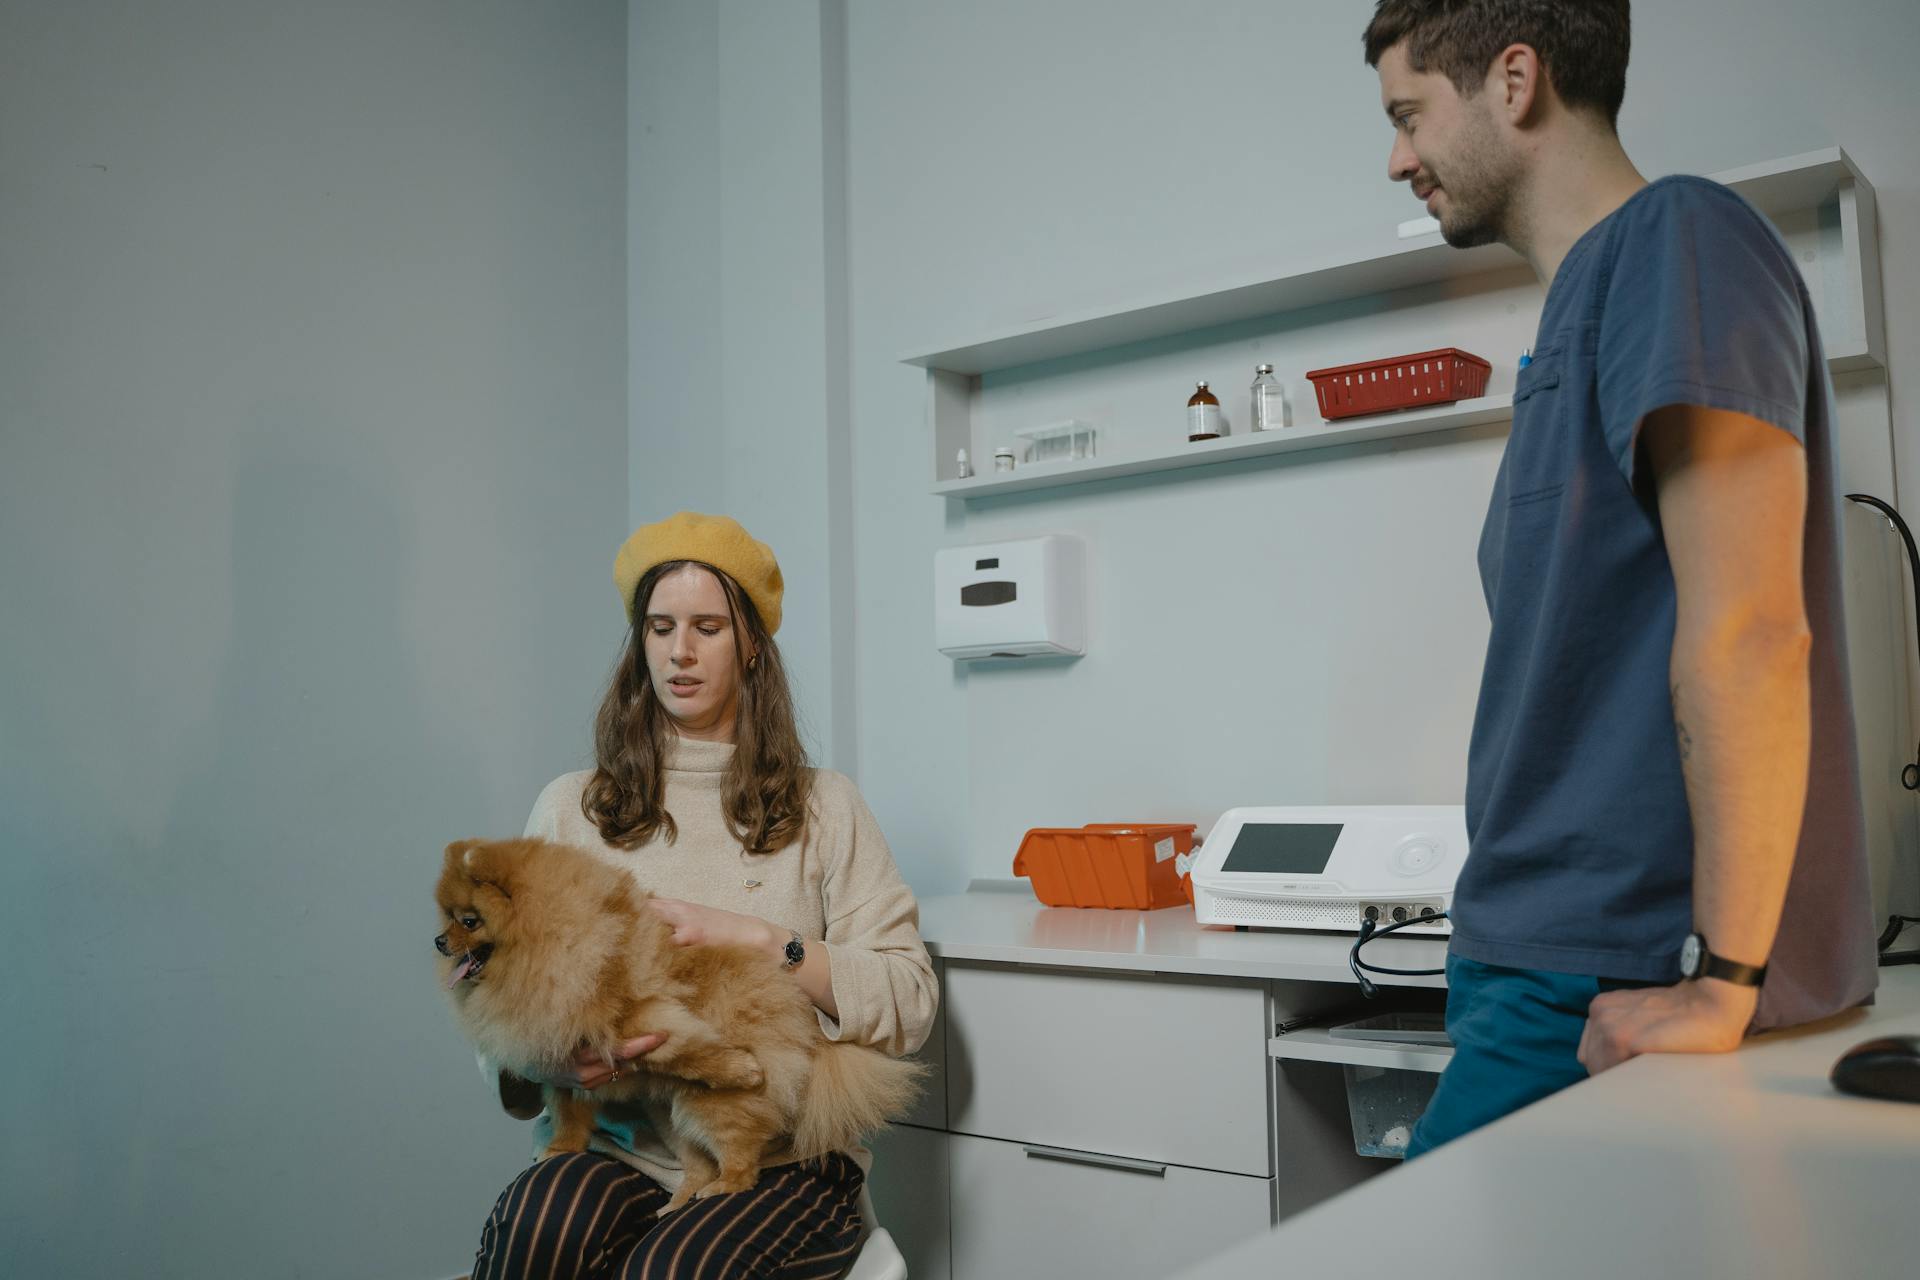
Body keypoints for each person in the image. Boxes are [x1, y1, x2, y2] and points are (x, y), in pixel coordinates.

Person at [1359, 0, 1878, 1158]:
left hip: (1610, 976)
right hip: (1536, 963)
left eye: (1407, 114)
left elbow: (1750, 628)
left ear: (1515, 78)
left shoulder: (1679, 238)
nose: (1396, 157)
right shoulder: (1575, 319)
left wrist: (1723, 976)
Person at [469, 511, 938, 1278]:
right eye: (659, 627)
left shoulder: (826, 808)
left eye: (708, 627)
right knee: (535, 1230)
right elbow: (500, 1011)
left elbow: (910, 999)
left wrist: (762, 942)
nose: (680, 652)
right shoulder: (569, 808)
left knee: (674, 1270)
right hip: (621, 1149)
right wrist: (548, 1063)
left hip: (782, 1162)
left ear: (751, 644)